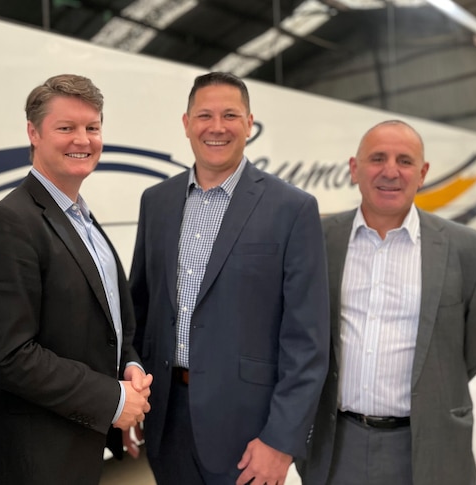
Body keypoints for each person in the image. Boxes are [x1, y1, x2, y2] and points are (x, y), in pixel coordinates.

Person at [129, 71, 330, 485]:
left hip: (248, 430)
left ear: (249, 123)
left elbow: (307, 340)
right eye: (204, 115)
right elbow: (141, 307)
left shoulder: (292, 208)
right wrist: (129, 398)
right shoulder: (157, 201)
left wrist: (281, 439)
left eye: (230, 115)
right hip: (166, 419)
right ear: (186, 124)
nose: (216, 127)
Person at [297, 120, 476, 485]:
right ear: (354, 169)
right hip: (336, 445)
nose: (390, 171)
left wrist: (436, 384)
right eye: (377, 158)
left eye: (405, 161)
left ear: (422, 173)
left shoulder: (471, 250)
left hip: (428, 447)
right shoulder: (318, 239)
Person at [0, 74, 152, 485]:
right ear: (33, 133)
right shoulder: (11, 221)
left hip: (82, 446)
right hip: (39, 459)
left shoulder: (84, 220)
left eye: (92, 127)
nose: (83, 139)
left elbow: (111, 325)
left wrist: (129, 366)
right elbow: (10, 357)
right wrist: (112, 400)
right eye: (66, 128)